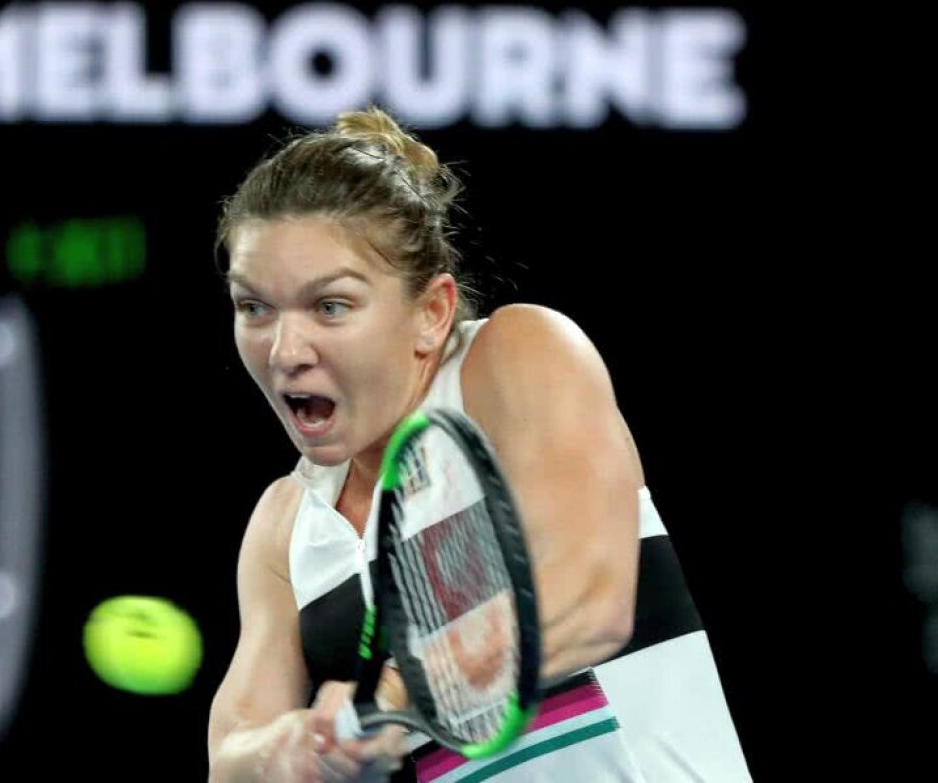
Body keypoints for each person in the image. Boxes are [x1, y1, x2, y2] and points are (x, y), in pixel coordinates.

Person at [206, 106, 751, 782]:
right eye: (254, 307)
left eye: (331, 306)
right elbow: (231, 751)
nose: (285, 351)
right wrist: (283, 749)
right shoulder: (283, 527)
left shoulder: (513, 358)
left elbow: (589, 599)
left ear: (432, 312)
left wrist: (396, 696)